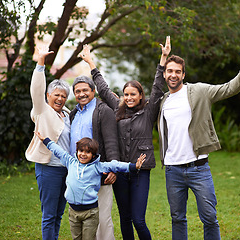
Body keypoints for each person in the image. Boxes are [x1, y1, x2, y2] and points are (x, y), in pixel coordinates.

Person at [157, 43, 240, 240]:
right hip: (172, 170)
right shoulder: (163, 101)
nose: (173, 75)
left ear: (183, 75)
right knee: (177, 218)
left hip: (199, 168)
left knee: (209, 218)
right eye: (169, 71)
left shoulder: (199, 91)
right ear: (164, 74)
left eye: (177, 72)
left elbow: (229, 88)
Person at [79, 36, 171, 240]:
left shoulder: (149, 111)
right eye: (126, 94)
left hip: (141, 172)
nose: (129, 98)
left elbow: (157, 88)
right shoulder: (118, 109)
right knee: (125, 218)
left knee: (138, 219)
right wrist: (90, 63)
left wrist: (163, 60)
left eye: (133, 94)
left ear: (140, 96)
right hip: (121, 171)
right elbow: (102, 88)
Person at [34, 131, 146, 240]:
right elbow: (58, 151)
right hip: (73, 212)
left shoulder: (97, 167)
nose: (83, 154)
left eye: (87, 152)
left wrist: (133, 166)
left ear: (93, 155)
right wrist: (46, 141)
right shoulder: (71, 162)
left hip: (90, 213)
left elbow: (114, 165)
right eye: (80, 151)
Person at [25, 46, 71, 240]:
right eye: (56, 95)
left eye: (63, 95)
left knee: (59, 214)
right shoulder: (42, 110)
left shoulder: (68, 114)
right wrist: (40, 64)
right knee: (49, 215)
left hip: (66, 170)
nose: (60, 98)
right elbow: (36, 89)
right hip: (48, 168)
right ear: (48, 96)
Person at [69, 73, 120, 239]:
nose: (81, 94)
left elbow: (111, 141)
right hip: (78, 176)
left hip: (99, 173)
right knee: (84, 221)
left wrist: (113, 168)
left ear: (93, 91)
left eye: (85, 90)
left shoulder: (103, 110)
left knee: (102, 218)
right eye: (77, 91)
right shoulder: (73, 113)